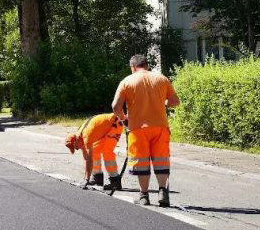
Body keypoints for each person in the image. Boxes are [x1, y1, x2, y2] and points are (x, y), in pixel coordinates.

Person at [112, 54, 180, 206]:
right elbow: (175, 101)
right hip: (160, 127)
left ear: (133, 67)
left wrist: (124, 119)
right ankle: (163, 191)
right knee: (161, 160)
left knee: (141, 162)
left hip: (137, 129)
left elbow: (116, 106)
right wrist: (164, 101)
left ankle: (144, 196)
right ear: (147, 65)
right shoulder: (162, 79)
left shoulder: (127, 81)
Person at [65, 113, 123, 190]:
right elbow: (86, 158)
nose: (77, 149)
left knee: (107, 151)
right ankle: (97, 178)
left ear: (75, 141)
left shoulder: (86, 137)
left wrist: (86, 179)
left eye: (76, 147)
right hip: (106, 128)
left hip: (115, 124)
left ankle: (115, 181)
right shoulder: (79, 137)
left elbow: (89, 160)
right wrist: (85, 178)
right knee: (95, 151)